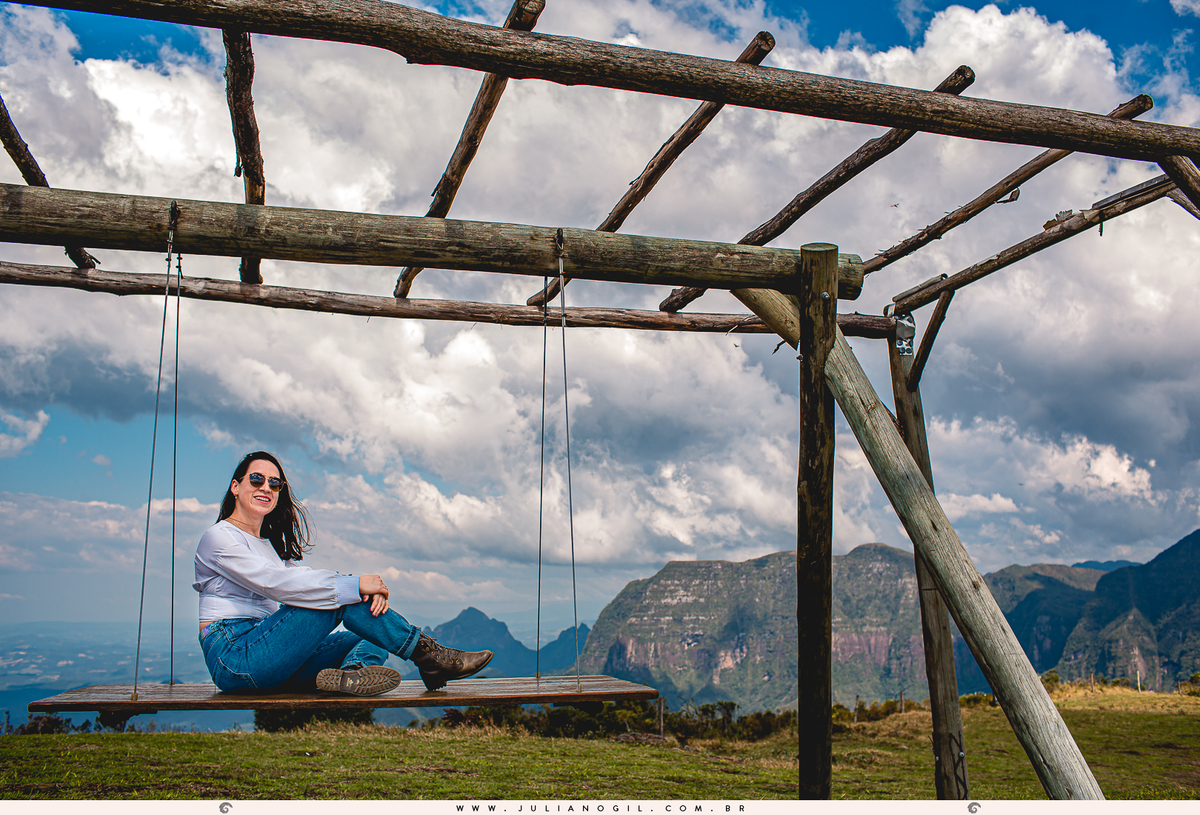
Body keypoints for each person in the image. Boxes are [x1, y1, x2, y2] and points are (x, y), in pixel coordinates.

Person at [194, 451, 493, 696]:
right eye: (256, 479)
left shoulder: (271, 548)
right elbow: (277, 584)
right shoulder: (219, 538)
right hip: (235, 656)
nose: (266, 488)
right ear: (236, 486)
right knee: (339, 596)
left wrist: (358, 590)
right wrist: (357, 586)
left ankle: (352, 674)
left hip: (271, 656)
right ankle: (432, 657)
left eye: (275, 484)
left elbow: (302, 580)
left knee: (375, 633)